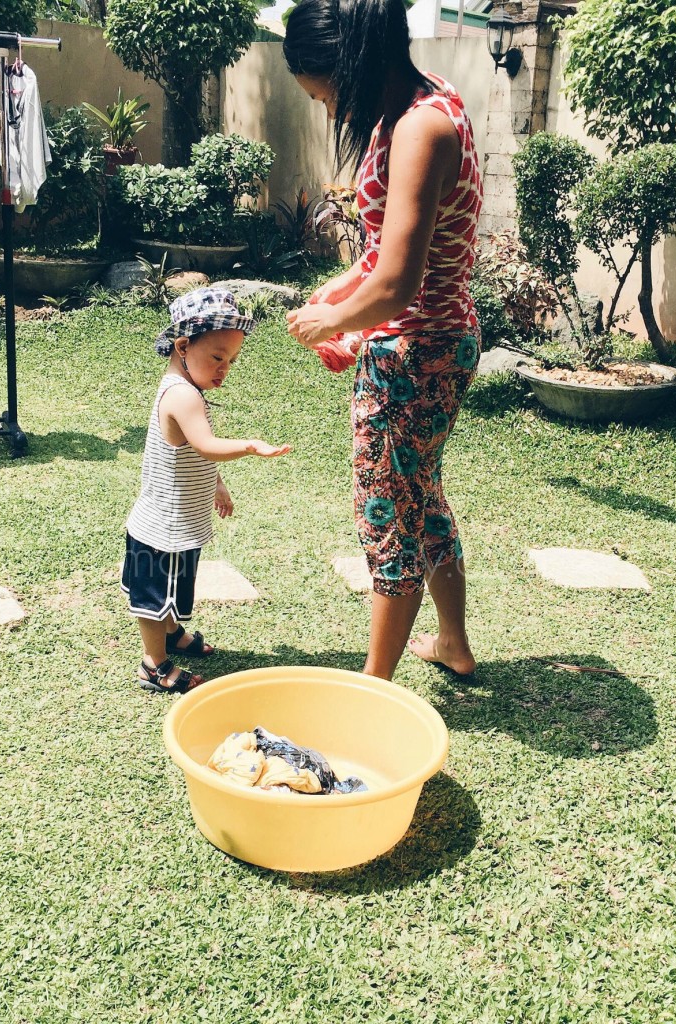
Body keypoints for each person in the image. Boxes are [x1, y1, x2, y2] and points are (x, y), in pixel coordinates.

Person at [283, 0, 482, 681]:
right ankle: (451, 642)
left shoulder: (419, 130)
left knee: (388, 515)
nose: (328, 109)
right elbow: (385, 252)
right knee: (421, 497)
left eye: (324, 93)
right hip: (434, 340)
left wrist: (332, 322)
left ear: (350, 65)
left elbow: (398, 284)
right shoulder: (425, 106)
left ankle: (374, 689)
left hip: (414, 354)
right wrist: (338, 296)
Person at [123, 287, 291, 693]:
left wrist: (217, 484)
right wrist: (250, 446)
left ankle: (172, 633)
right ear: (183, 346)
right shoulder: (182, 395)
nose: (225, 369)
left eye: (232, 360)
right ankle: (154, 663)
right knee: (152, 598)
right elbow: (205, 444)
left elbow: (192, 455)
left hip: (179, 523)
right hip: (160, 528)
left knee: (171, 588)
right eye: (217, 357)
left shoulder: (186, 389)